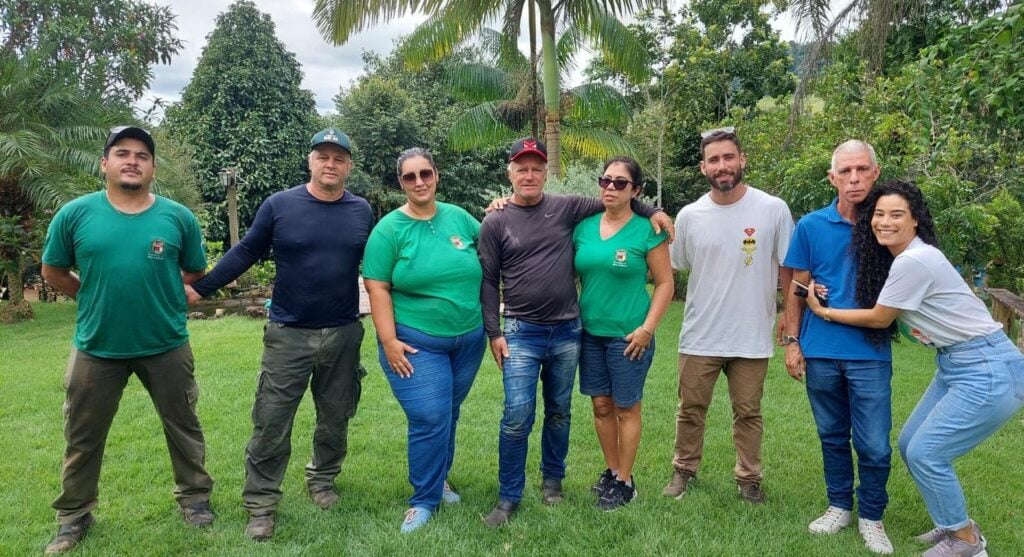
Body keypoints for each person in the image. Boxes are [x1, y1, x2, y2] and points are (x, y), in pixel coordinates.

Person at [805, 180, 1024, 557]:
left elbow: (879, 318)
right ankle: (953, 523)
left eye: (896, 215)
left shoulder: (913, 260)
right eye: (878, 214)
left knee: (927, 452)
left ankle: (966, 542)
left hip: (986, 367)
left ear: (915, 221)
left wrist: (823, 311)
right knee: (910, 444)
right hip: (957, 362)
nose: (884, 222)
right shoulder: (907, 258)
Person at [186, 128, 373, 541]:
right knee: (271, 421)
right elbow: (246, 250)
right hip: (289, 333)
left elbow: (381, 263)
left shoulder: (362, 210)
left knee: (336, 416)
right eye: (323, 156)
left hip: (344, 332)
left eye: (339, 158)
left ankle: (322, 480)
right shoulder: (280, 205)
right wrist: (200, 288)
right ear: (310, 161)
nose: (330, 164)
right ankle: (261, 503)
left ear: (348, 166)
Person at [479, 137, 673, 527]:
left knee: (560, 413)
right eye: (521, 168)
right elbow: (487, 280)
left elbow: (620, 200)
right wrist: (493, 332)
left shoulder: (567, 207)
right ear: (510, 173)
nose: (529, 175)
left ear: (545, 172)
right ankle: (508, 497)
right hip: (522, 331)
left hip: (569, 332)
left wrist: (653, 209)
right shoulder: (497, 220)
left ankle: (555, 484)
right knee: (518, 415)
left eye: (536, 168)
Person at [40, 126, 214, 554]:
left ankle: (195, 501)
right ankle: (74, 516)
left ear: (153, 167)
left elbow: (194, 271)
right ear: (105, 164)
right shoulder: (76, 214)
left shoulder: (177, 217)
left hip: (166, 343)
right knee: (83, 435)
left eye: (141, 155)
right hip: (96, 346)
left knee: (184, 426)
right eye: (122, 153)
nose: (132, 160)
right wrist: (91, 294)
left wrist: (164, 293)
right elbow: (53, 271)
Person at [662, 127, 793, 504]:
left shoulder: (772, 209)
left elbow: (789, 266)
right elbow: (672, 266)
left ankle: (749, 479)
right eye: (714, 160)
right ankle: (683, 471)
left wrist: (788, 314)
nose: (723, 166)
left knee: (748, 412)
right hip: (700, 334)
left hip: (751, 333)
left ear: (742, 160)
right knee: (690, 409)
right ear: (704, 167)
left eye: (728, 157)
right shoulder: (690, 215)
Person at [362, 148, 486, 533]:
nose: (419, 182)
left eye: (425, 174)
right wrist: (388, 341)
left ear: (437, 175)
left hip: (468, 338)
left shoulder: (460, 218)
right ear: (400, 182)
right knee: (429, 416)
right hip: (416, 341)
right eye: (409, 177)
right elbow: (377, 286)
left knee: (448, 411)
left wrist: (501, 206)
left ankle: (439, 480)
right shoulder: (389, 230)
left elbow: (496, 244)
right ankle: (423, 500)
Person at [782, 140, 895, 554]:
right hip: (821, 349)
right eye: (845, 172)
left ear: (875, 173)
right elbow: (797, 287)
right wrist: (793, 343)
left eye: (862, 170)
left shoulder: (888, 224)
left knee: (875, 443)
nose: (854, 179)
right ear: (832, 178)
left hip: (870, 350)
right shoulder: (811, 226)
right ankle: (838, 506)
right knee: (831, 434)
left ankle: (872, 515)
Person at [573, 156, 673, 510]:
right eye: (605, 180)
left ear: (636, 190)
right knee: (601, 406)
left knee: (626, 407)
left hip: (629, 336)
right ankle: (613, 471)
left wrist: (647, 329)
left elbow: (665, 284)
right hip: (590, 334)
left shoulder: (647, 230)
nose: (610, 188)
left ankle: (626, 481)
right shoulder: (583, 227)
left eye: (619, 183)